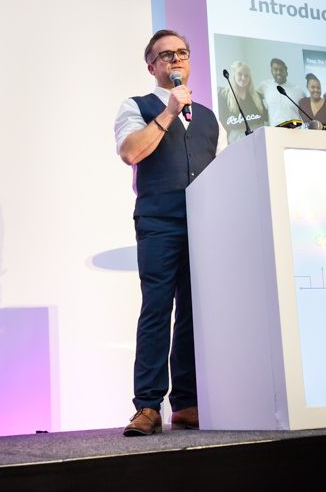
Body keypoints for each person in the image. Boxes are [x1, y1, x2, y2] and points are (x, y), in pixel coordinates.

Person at [113, 29, 225, 436]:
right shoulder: (137, 106)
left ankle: (186, 403)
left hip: (202, 225)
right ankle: (147, 405)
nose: (175, 59)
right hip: (159, 221)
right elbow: (131, 152)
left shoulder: (209, 118)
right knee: (157, 310)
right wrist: (168, 113)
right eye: (165, 55)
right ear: (152, 67)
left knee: (194, 314)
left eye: (182, 53)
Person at [218, 60, 268, 143]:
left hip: (258, 141)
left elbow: (265, 119)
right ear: (234, 74)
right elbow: (221, 123)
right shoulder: (223, 96)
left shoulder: (258, 96)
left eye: (246, 75)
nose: (243, 78)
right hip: (235, 144)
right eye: (240, 74)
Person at [256, 58, 304, 126]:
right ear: (271, 71)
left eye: (281, 70)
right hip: (275, 129)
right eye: (275, 70)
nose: (278, 72)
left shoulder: (298, 90)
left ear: (286, 72)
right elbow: (253, 96)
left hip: (295, 129)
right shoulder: (265, 86)